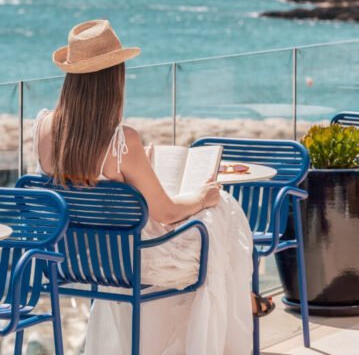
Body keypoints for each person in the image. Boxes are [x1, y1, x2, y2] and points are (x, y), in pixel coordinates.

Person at [32, 20, 273, 355]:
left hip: (75, 258)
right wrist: (202, 197)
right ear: (114, 78)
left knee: (212, 226)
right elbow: (168, 211)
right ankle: (225, 324)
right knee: (221, 212)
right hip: (129, 260)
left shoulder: (42, 129)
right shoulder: (121, 141)